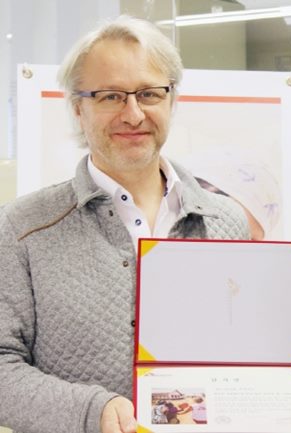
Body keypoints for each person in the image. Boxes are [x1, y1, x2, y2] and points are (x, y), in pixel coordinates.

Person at [0, 15, 249, 433]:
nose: (133, 115)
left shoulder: (227, 221)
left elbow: (242, 353)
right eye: (111, 96)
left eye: (149, 94)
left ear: (171, 100)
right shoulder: (22, 228)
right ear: (78, 108)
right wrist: (90, 410)